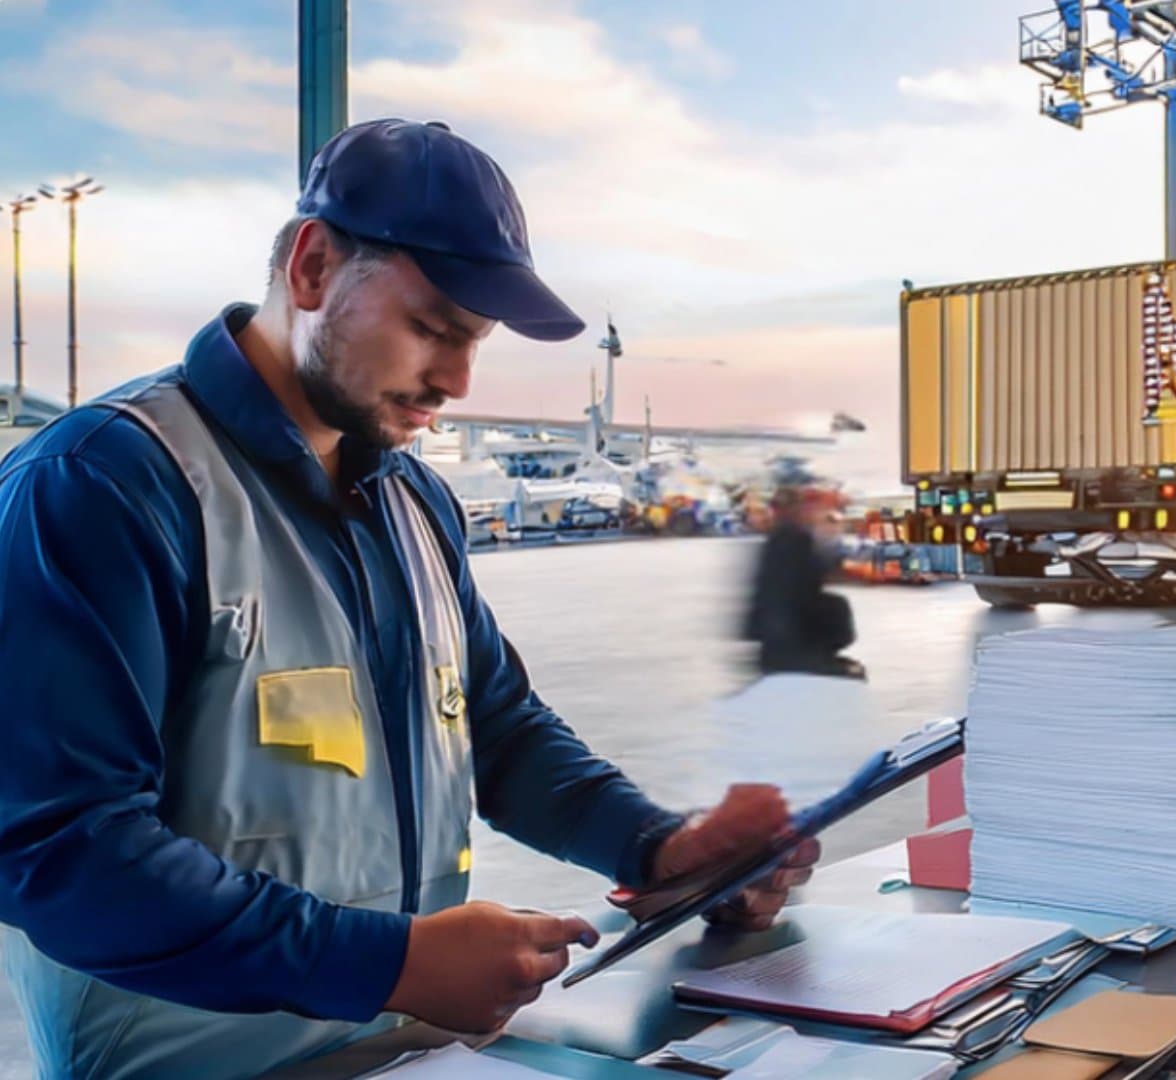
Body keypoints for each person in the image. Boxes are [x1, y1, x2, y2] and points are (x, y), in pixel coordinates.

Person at [0, 119, 820, 1080]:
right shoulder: (101, 486)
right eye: (432, 328)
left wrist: (653, 843)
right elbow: (61, 848)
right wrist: (390, 962)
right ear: (312, 269)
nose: (458, 381)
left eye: (475, 342)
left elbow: (495, 728)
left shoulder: (411, 497)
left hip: (407, 1052)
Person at [744, 486, 864, 678]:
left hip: (779, 640)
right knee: (836, 606)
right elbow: (811, 579)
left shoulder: (781, 538)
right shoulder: (792, 538)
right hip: (793, 642)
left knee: (834, 605)